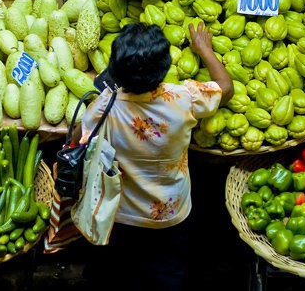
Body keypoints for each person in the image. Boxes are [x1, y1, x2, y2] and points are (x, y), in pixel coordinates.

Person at [77, 21, 233, 290]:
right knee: (167, 272)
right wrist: (204, 49)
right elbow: (225, 89)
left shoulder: (105, 105)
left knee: (124, 272)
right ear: (165, 69)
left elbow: (85, 135)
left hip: (121, 214)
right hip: (170, 213)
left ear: (115, 70)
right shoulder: (183, 98)